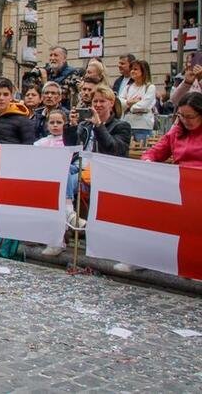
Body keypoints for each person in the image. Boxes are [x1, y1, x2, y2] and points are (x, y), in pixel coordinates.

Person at [62, 86, 131, 264]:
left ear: (111, 104)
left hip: (104, 170)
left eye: (102, 101)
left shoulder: (121, 126)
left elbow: (114, 149)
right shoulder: (85, 125)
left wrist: (99, 126)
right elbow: (70, 145)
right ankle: (68, 217)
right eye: (95, 102)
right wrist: (71, 126)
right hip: (80, 166)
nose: (98, 105)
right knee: (59, 173)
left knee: (68, 178)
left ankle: (69, 219)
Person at [142, 92, 202, 168]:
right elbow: (153, 152)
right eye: (181, 115)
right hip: (180, 176)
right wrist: (148, 160)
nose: (185, 120)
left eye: (190, 117)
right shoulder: (176, 132)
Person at [0, 78, 36, 145]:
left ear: (11, 96)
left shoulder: (24, 121)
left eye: (5, 94)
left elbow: (29, 149)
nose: (1, 98)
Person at [118, 59, 156, 145]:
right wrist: (129, 102)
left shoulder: (150, 87)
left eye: (135, 69)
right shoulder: (128, 87)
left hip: (143, 126)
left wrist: (129, 106)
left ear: (143, 71)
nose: (132, 71)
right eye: (132, 69)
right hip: (127, 124)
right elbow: (119, 103)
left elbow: (145, 105)